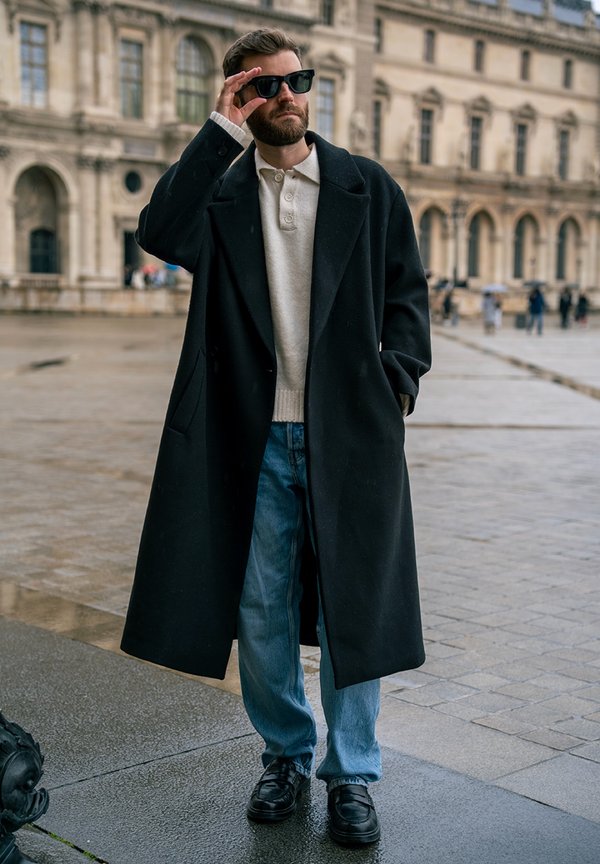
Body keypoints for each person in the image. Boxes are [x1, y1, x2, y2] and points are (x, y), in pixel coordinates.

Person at [120, 28, 431, 847]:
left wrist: (396, 378)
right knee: (258, 614)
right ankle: (285, 754)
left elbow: (407, 295)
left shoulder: (369, 187)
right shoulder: (220, 198)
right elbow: (159, 230)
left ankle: (353, 774)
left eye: (298, 80)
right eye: (262, 88)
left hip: (349, 435)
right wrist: (217, 132)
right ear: (239, 100)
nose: (286, 95)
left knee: (352, 614)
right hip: (249, 441)